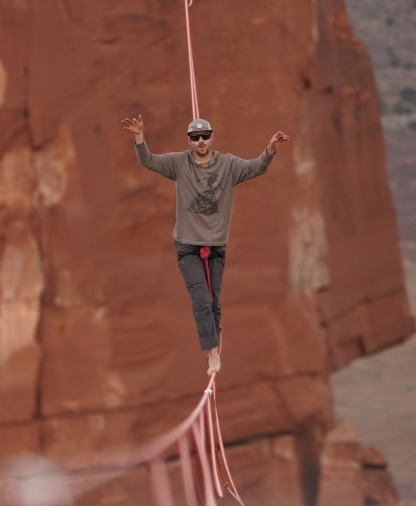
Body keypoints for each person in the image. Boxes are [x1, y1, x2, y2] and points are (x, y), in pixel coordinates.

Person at [121, 114, 290, 376]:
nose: (200, 141)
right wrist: (139, 136)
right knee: (201, 299)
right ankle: (212, 354)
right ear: (189, 141)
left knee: (214, 301)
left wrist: (270, 150)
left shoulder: (228, 165)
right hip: (187, 245)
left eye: (204, 136)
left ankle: (214, 343)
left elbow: (257, 167)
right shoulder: (179, 163)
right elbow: (148, 160)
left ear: (212, 137)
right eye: (195, 138)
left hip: (216, 245)